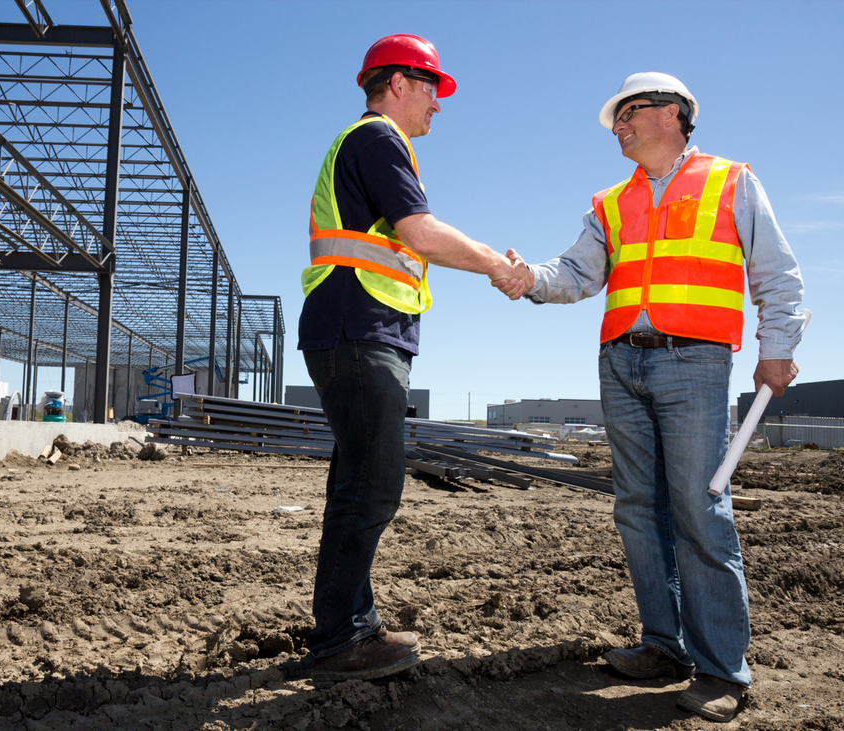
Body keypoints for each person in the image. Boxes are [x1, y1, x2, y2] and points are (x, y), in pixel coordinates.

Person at [496, 72, 806, 722]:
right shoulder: (609, 203)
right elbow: (577, 272)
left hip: (693, 362)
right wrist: (527, 278)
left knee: (699, 510)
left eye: (627, 113)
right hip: (620, 362)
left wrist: (775, 345)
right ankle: (664, 645)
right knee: (637, 508)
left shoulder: (731, 182)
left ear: (671, 114)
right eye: (616, 118)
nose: (617, 126)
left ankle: (722, 668)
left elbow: (775, 272)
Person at [298, 34, 524, 685]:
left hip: (359, 330)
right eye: (431, 87)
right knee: (372, 484)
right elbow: (418, 233)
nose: (438, 104)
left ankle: (349, 623)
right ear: (397, 84)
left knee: (358, 484)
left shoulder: (370, 144)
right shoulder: (377, 140)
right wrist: (496, 265)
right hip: (357, 331)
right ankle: (341, 637)